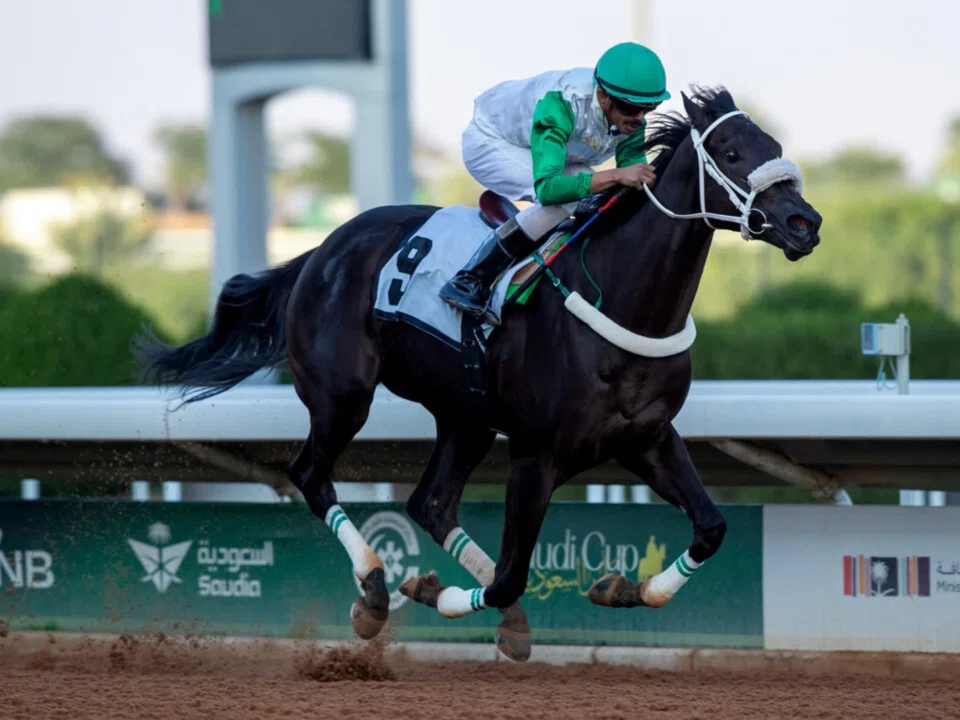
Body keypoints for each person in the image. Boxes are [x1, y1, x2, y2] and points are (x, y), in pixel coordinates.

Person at [439, 41, 671, 325]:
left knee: (602, 197)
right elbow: (549, 189)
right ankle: (470, 279)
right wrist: (615, 175)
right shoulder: (562, 103)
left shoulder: (631, 117)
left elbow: (634, 176)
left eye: (649, 108)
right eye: (631, 108)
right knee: (568, 198)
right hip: (490, 142)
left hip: (548, 150)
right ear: (603, 96)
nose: (639, 118)